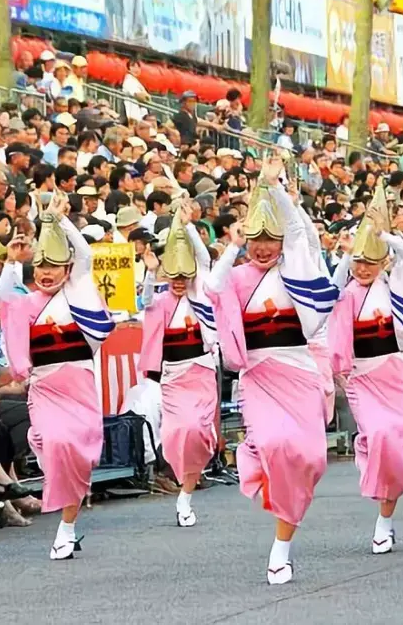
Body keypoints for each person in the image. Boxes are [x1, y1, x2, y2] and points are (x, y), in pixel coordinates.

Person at [204, 161, 334, 585]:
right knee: (278, 443)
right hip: (259, 376)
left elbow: (298, 230)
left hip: (301, 372)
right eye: (256, 239)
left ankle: (282, 519)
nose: (263, 247)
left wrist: (273, 186)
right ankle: (279, 551)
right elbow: (212, 287)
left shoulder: (296, 269)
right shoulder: (239, 277)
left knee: (310, 458)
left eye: (270, 239)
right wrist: (230, 247)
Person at [0, 193, 115, 561]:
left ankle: (67, 526)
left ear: (67, 270)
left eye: (54, 266)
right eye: (40, 267)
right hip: (46, 386)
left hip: (79, 384)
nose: (46, 273)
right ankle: (64, 523)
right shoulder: (26, 302)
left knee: (77, 454)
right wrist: (12, 263)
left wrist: (59, 220)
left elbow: (86, 255)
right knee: (55, 442)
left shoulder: (78, 293)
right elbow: (4, 300)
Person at [327, 184, 403, 554]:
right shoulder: (346, 292)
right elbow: (327, 292)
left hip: (395, 373)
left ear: (383, 262)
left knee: (395, 445)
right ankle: (367, 453)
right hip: (363, 378)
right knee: (381, 436)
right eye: (359, 262)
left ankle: (385, 519)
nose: (363, 268)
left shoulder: (394, 287)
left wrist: (387, 237)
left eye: (371, 261)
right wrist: (347, 256)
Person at [137, 202, 217, 527]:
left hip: (201, 371)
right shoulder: (160, 300)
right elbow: (144, 301)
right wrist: (150, 271)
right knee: (175, 433)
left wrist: (187, 226)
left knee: (197, 430)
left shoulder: (202, 296)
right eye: (175, 275)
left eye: (186, 274)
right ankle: (183, 484)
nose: (180, 280)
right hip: (172, 376)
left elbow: (206, 261)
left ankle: (186, 491)